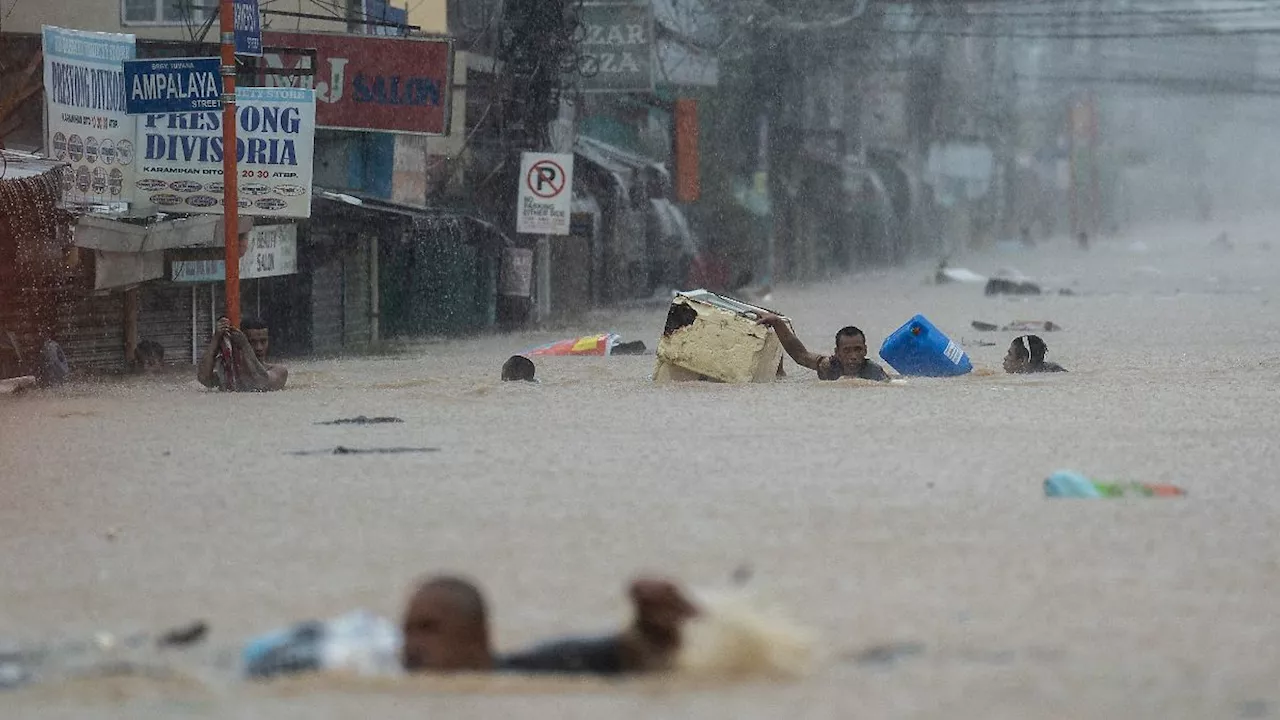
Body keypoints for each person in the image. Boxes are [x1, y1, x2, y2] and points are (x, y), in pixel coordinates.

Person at [401, 575, 699, 675]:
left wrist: (653, 622)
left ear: (477, 637)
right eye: (407, 630)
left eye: (429, 628)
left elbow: (633, 651)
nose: (411, 644)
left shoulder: (547, 666)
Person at [755, 314, 890, 382]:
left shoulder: (874, 372)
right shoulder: (829, 366)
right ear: (837, 353)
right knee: (781, 379)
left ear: (865, 350)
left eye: (858, 350)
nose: (853, 356)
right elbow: (801, 356)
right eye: (847, 351)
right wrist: (777, 323)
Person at [197, 316, 288, 392]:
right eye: (252, 342)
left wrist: (245, 345)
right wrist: (216, 339)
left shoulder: (279, 371)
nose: (259, 348)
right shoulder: (231, 375)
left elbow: (262, 383)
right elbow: (203, 378)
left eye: (263, 341)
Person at [1003, 335, 1067, 374]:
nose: (1005, 358)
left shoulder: (1026, 378)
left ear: (1023, 360)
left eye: (1010, 354)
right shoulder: (1054, 369)